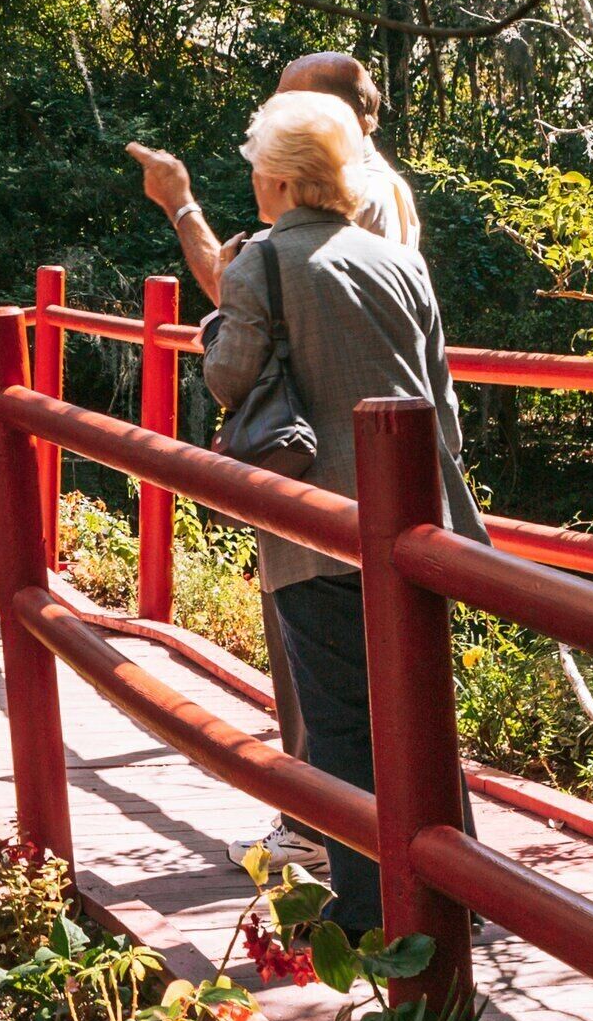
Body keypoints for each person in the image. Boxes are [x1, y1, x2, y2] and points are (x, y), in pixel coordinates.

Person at [189, 90, 488, 935]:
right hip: (419, 519)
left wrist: (215, 327)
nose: (254, 182)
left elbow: (228, 377)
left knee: (343, 722)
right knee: (420, 713)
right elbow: (443, 406)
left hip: (316, 523)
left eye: (258, 170)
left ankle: (372, 916)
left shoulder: (261, 263)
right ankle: (459, 896)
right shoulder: (399, 261)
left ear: (283, 181)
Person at [125, 52, 417, 306]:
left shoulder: (351, 195)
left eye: (284, 106)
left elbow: (237, 295)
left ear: (330, 115)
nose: (271, 115)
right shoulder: (384, 184)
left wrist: (178, 202)